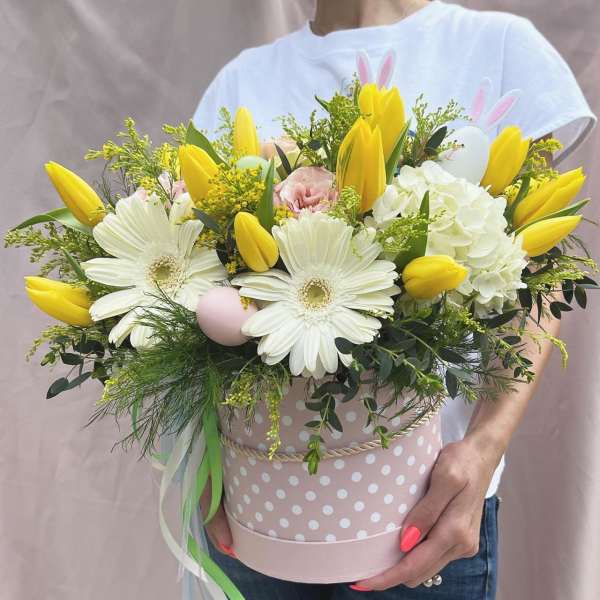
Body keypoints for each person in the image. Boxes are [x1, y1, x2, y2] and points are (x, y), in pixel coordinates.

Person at [190, 1, 596, 598]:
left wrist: (482, 449)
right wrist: (200, 464)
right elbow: (195, 291)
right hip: (258, 504)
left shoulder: (499, 48)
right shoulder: (241, 81)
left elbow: (534, 270)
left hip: (427, 508)